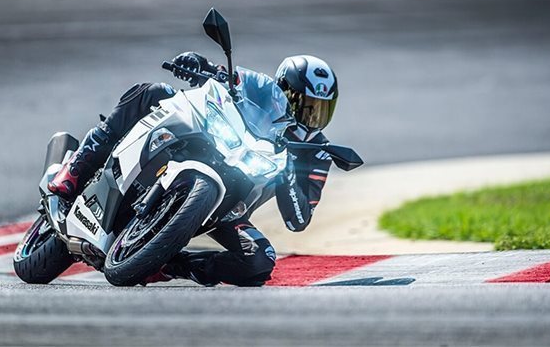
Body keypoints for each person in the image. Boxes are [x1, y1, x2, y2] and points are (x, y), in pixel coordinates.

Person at [48, 52, 339, 286]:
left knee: (260, 261)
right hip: (211, 151)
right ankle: (76, 166)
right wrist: (200, 64)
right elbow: (227, 78)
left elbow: (298, 220)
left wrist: (289, 173)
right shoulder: (262, 93)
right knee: (153, 92)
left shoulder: (317, 153)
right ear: (283, 91)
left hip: (230, 208)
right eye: (304, 105)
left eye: (320, 110)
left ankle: (170, 265)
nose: (310, 118)